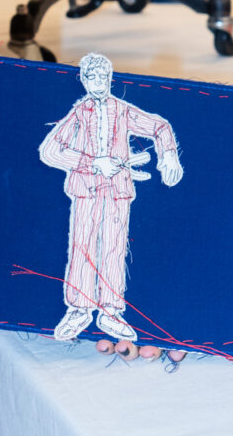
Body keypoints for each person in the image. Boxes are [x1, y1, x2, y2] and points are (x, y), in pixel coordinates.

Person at [39, 52, 183, 343]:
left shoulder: (122, 111)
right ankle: (79, 309)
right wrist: (92, 163)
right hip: (87, 189)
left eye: (103, 76)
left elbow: (160, 126)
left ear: (110, 78)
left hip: (117, 191)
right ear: (83, 79)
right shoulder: (79, 114)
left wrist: (169, 155)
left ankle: (111, 312)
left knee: (114, 249)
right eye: (92, 77)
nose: (98, 82)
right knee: (83, 247)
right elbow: (49, 150)